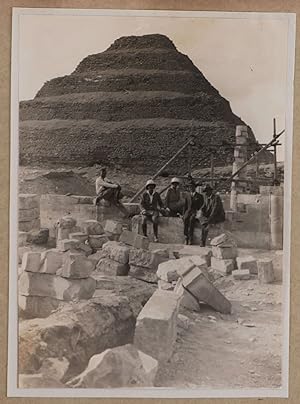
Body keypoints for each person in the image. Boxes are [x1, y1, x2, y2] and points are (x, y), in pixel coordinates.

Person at [183, 181, 204, 245]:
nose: (191, 188)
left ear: (195, 187)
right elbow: (185, 205)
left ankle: (190, 238)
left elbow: (201, 206)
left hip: (195, 211)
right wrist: (183, 214)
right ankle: (186, 237)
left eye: (192, 187)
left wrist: (199, 213)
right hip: (188, 211)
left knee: (191, 221)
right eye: (189, 187)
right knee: (185, 219)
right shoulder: (187, 195)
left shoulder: (199, 196)